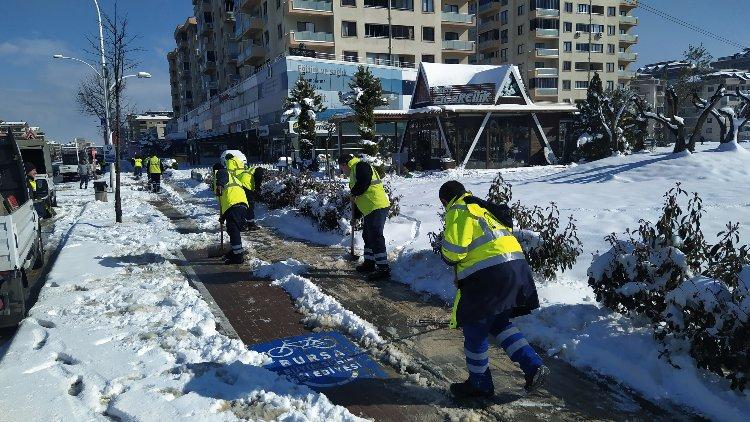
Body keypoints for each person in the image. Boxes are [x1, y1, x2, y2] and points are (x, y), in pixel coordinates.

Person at [438, 180, 549, 399]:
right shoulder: (483, 207)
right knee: (498, 322)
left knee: (474, 327)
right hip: (516, 269)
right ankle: (534, 366)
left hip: (490, 276)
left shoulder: (458, 209)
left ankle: (480, 385)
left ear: (445, 200)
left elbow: (454, 253)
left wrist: (444, 251)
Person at [338, 154, 391, 281]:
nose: (342, 171)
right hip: (369, 209)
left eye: (341, 168)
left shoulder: (360, 166)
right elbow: (358, 197)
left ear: (345, 164)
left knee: (375, 236)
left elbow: (365, 181)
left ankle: (383, 268)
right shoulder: (354, 172)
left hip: (377, 205)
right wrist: (355, 216)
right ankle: (369, 263)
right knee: (367, 235)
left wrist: (353, 192)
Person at [214, 153, 249, 265]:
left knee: (233, 230)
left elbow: (222, 174)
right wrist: (223, 217)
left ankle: (238, 256)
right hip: (240, 205)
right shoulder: (232, 178)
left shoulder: (221, 172)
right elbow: (224, 201)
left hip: (234, 204)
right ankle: (236, 251)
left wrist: (219, 185)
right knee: (234, 229)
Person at [238, 165, 265, 231]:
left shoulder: (249, 170)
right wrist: (257, 188)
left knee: (242, 205)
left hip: (238, 185)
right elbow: (258, 176)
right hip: (246, 185)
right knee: (250, 204)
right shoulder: (259, 169)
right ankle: (250, 224)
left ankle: (242, 223)